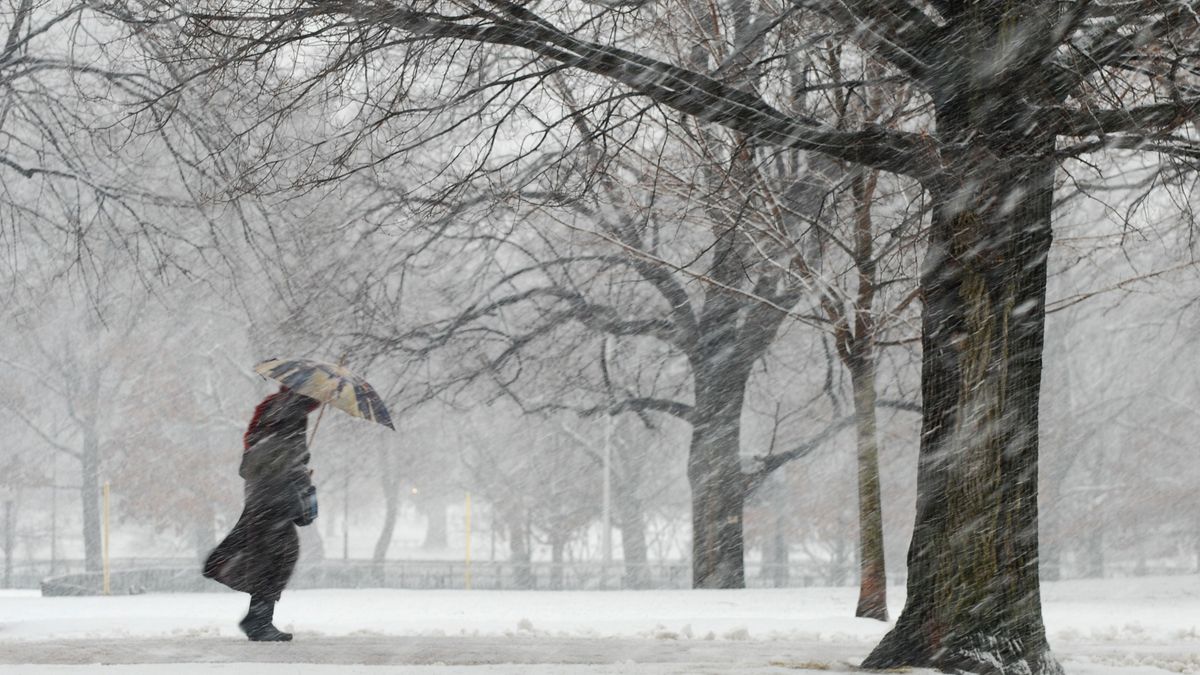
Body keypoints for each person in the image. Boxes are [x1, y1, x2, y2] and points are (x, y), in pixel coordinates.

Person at [203, 386, 321, 641]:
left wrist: (295, 467)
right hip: (275, 496)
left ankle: (257, 618)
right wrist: (300, 475)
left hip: (261, 494)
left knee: (268, 557)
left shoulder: (274, 407)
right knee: (277, 558)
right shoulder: (294, 411)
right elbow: (287, 454)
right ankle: (258, 621)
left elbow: (262, 454)